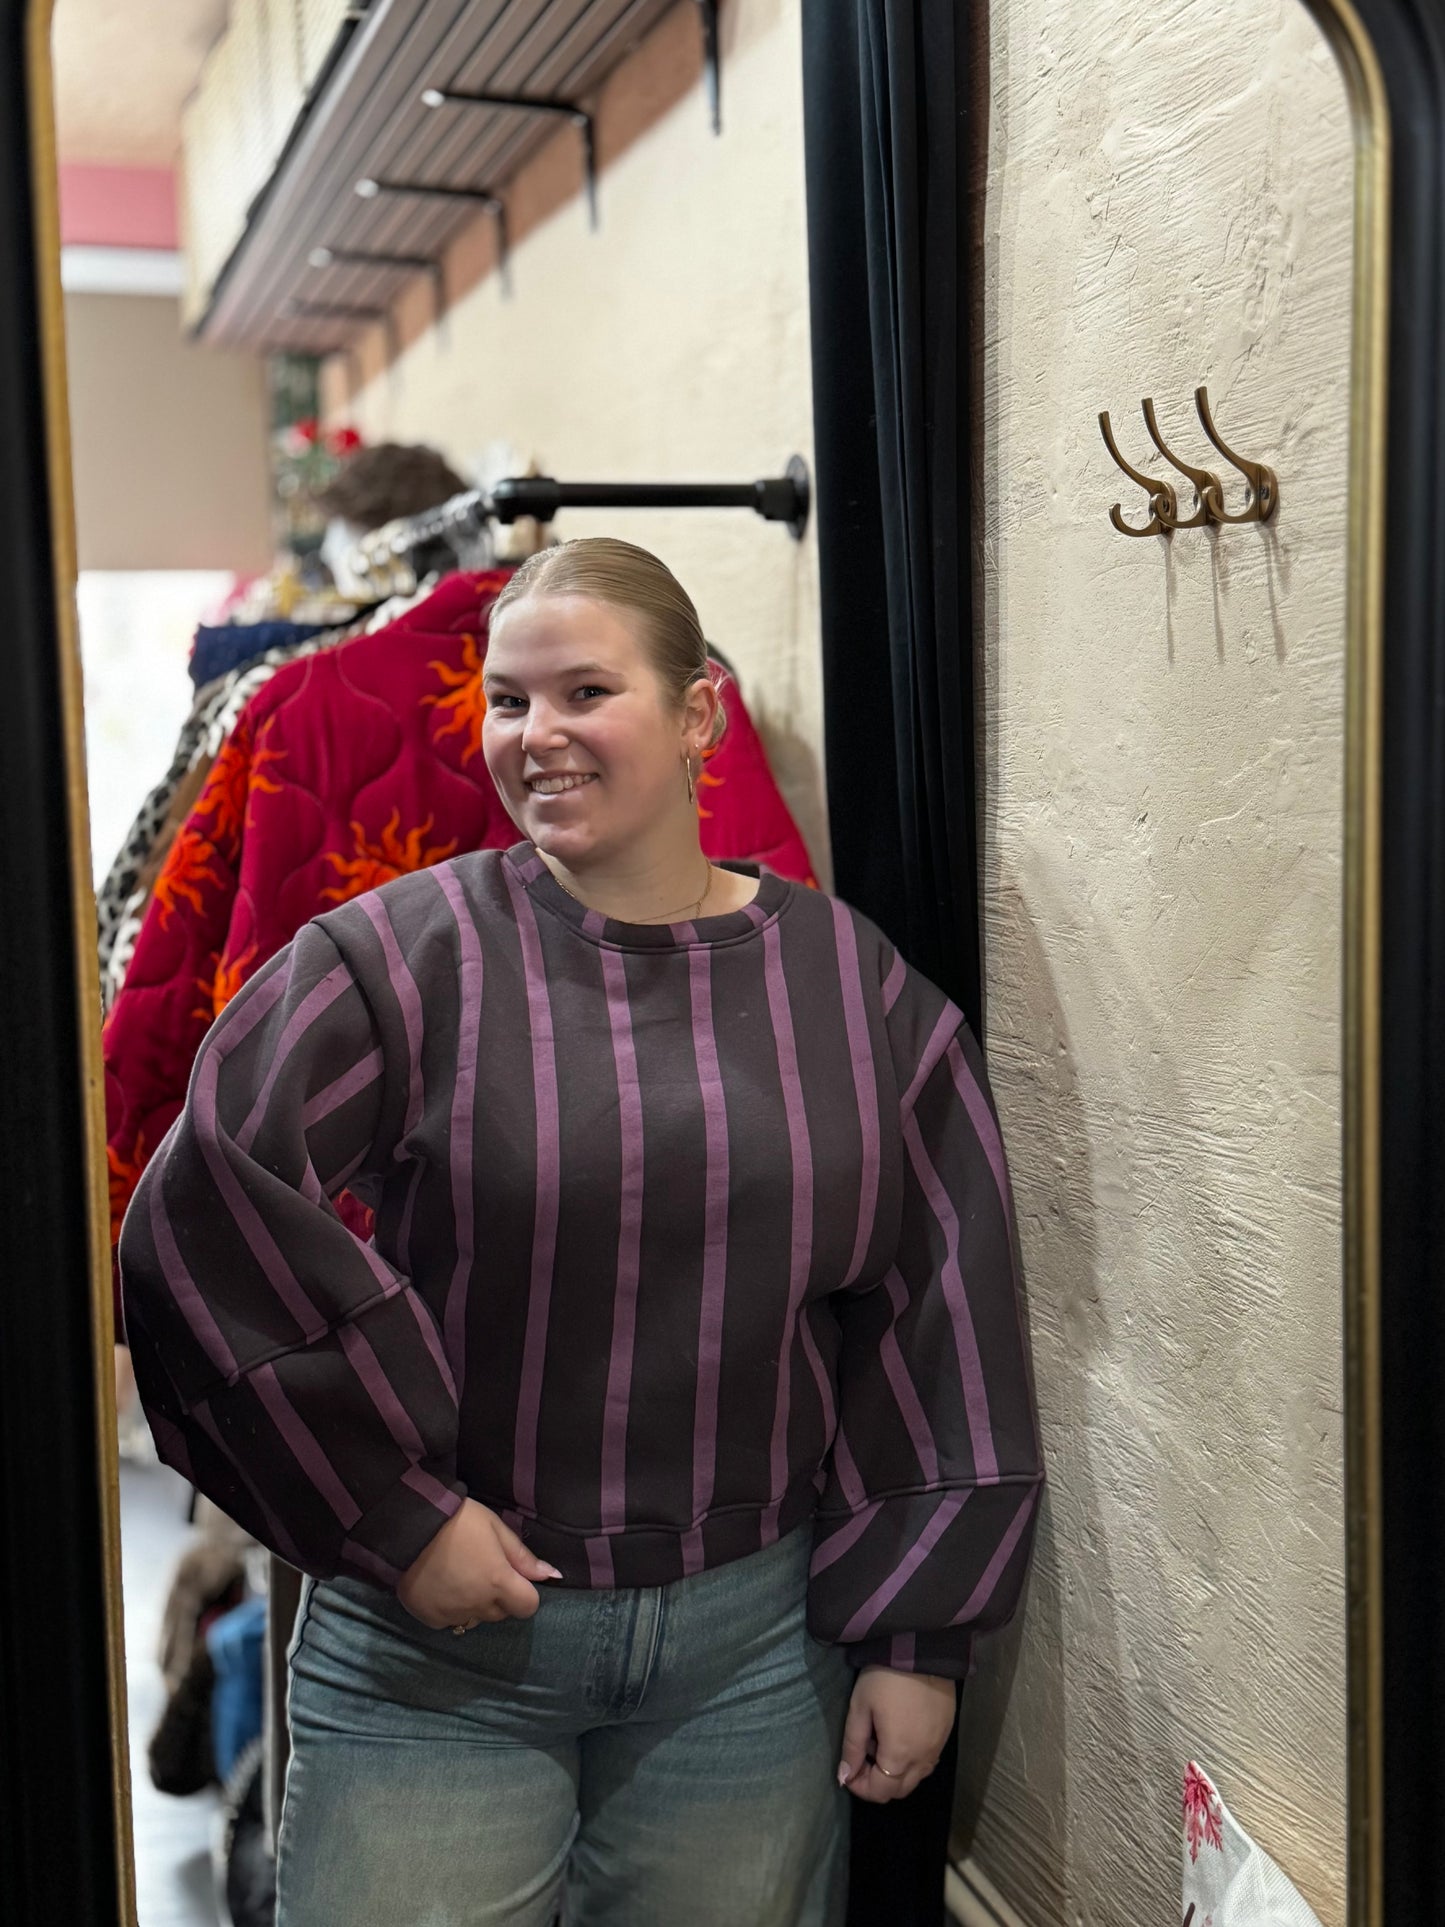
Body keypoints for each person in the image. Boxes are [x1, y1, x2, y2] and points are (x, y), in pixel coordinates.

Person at [120, 538, 1043, 1927]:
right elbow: (201, 1224)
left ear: (696, 716)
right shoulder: (399, 958)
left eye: (584, 693)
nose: (535, 736)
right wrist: (390, 1509)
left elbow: (937, 1306)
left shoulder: (853, 991)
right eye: (506, 702)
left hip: (749, 1670)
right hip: (438, 1651)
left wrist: (919, 1636)